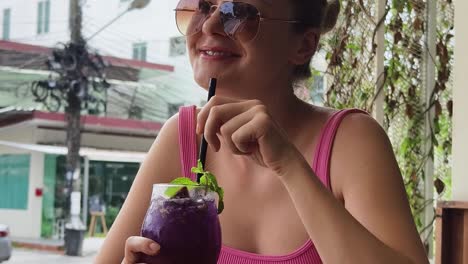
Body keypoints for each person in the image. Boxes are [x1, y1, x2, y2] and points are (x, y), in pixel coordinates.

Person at [96, 0, 429, 263]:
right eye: (202, 6)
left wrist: (289, 165)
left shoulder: (352, 141)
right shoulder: (182, 137)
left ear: (303, 45)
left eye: (239, 12)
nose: (211, 24)